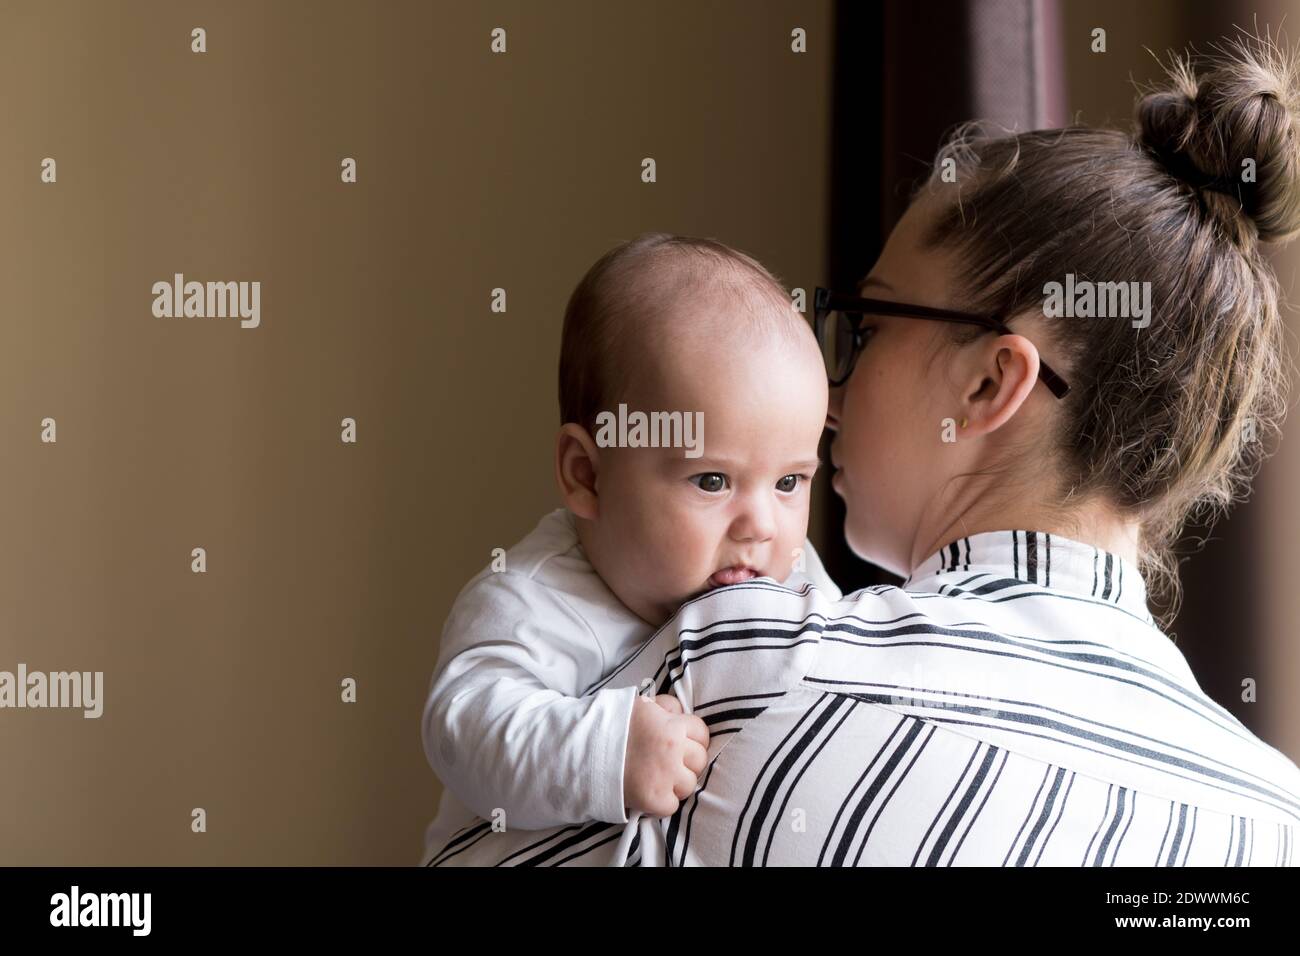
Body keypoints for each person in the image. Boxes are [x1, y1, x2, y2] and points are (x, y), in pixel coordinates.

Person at [428, 32, 1300, 866]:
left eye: (872, 324)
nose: (832, 401)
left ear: (989, 386)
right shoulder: (1277, 820)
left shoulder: (737, 670)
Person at [419, 233, 841, 862]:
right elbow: (464, 728)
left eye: (788, 482)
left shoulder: (790, 571)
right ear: (587, 475)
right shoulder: (533, 596)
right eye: (712, 480)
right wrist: (609, 753)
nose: (761, 525)